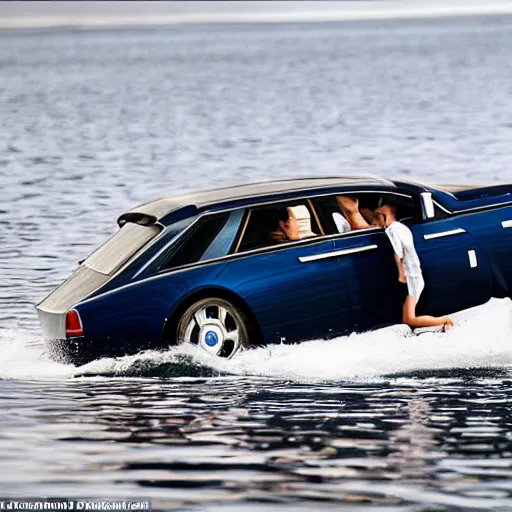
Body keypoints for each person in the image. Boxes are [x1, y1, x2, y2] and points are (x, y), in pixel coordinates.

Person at [375, 196, 454, 331]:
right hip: (415, 274)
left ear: (385, 216)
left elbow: (398, 254)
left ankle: (445, 321)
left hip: (410, 277)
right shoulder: (402, 228)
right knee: (407, 317)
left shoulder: (391, 230)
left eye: (377, 217)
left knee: (409, 318)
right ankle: (440, 324)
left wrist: (401, 279)